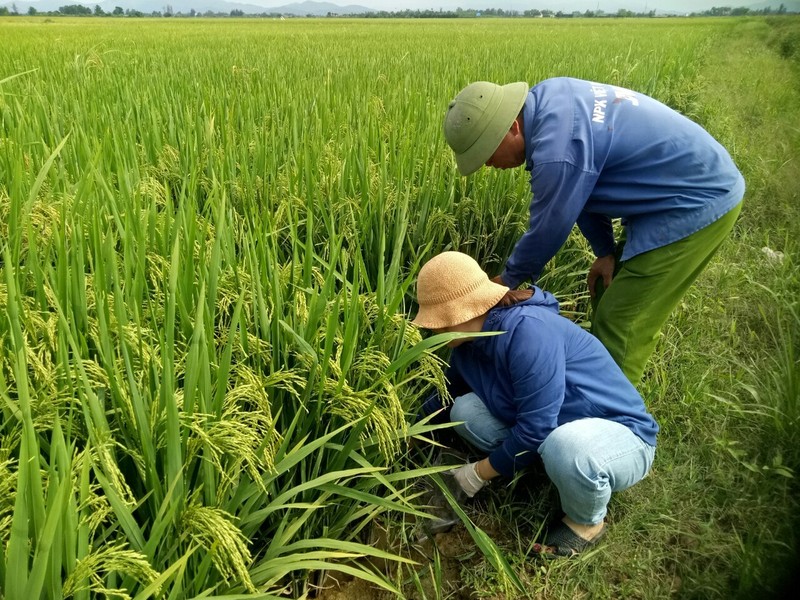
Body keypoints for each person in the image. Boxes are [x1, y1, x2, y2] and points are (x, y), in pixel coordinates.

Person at [443, 77, 745, 385]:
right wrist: (604, 251)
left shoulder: (556, 151)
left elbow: (549, 227)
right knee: (607, 290)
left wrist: (504, 282)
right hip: (665, 192)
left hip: (695, 198)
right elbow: (582, 187)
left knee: (621, 319)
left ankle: (613, 417)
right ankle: (594, 381)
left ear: (512, 128)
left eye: (488, 153)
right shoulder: (550, 97)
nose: (489, 165)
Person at [412, 251, 659, 557]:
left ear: (455, 315)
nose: (429, 328)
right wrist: (406, 435)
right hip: (551, 430)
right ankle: (542, 464)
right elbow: (445, 397)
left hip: (619, 437)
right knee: (464, 412)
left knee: (565, 447)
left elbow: (535, 429)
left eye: (434, 319)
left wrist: (477, 473)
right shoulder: (467, 347)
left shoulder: (529, 332)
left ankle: (587, 522)